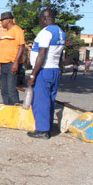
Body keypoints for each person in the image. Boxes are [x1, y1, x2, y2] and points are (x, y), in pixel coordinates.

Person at [27, 9, 66, 140]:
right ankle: (48, 127)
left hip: (44, 70)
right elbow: (60, 55)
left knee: (40, 100)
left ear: (44, 18)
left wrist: (33, 75)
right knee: (50, 100)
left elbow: (42, 54)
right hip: (54, 69)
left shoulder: (46, 32)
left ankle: (42, 131)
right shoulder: (61, 32)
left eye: (40, 20)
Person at [0, 11, 25, 105]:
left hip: (12, 64)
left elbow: (21, 46)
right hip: (4, 64)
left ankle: (15, 110)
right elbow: (3, 49)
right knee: (4, 90)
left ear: (9, 20)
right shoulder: (5, 33)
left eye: (2, 21)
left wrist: (16, 63)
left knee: (11, 89)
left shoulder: (17, 30)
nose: (1, 23)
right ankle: (7, 108)